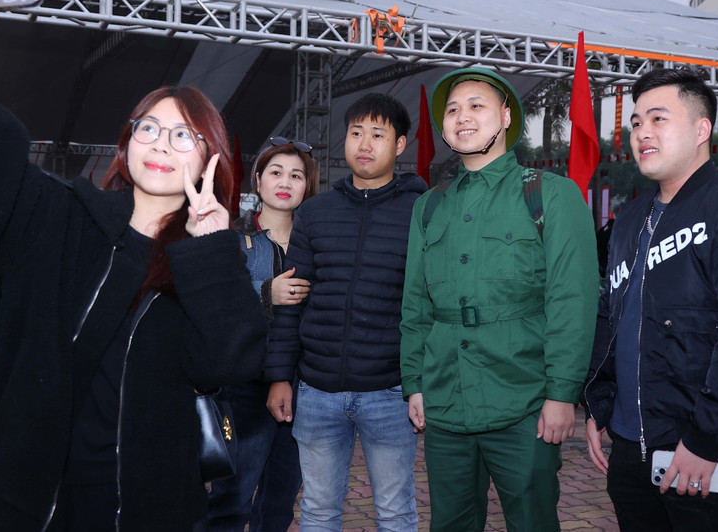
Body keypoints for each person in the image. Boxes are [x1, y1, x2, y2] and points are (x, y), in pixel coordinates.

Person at [0, 0, 267, 531]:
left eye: (184, 134)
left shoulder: (210, 256)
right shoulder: (65, 217)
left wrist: (211, 247)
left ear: (211, 156)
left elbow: (227, 363)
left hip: (149, 503)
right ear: (127, 142)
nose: (161, 142)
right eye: (148, 126)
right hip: (42, 495)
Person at [583, 68, 718, 531]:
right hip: (630, 449)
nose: (642, 133)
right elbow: (607, 318)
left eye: (657, 118)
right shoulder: (629, 219)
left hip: (701, 452)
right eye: (635, 123)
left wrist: (704, 439)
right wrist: (598, 403)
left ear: (700, 129)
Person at [400, 68, 598, 531]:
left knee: (531, 522)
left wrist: (561, 394)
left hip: (524, 403)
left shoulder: (549, 194)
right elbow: (416, 306)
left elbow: (573, 300)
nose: (461, 117)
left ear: (506, 116)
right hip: (446, 403)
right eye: (452, 109)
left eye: (475, 105)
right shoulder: (429, 205)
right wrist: (415, 383)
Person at [264, 93, 427, 531]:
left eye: (378, 134)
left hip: (389, 392)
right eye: (356, 133)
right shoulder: (316, 212)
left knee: (396, 512)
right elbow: (291, 302)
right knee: (317, 511)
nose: (365, 144)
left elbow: (430, 304)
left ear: (400, 144)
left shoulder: (422, 213)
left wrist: (420, 383)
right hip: (317, 392)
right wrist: (280, 377)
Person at [207, 138, 319, 531]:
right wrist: (264, 293)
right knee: (231, 497)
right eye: (275, 172)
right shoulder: (233, 241)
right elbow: (212, 309)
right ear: (258, 180)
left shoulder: (317, 246)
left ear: (308, 185)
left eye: (296, 174)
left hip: (304, 387)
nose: (285, 181)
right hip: (244, 387)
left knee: (280, 500)